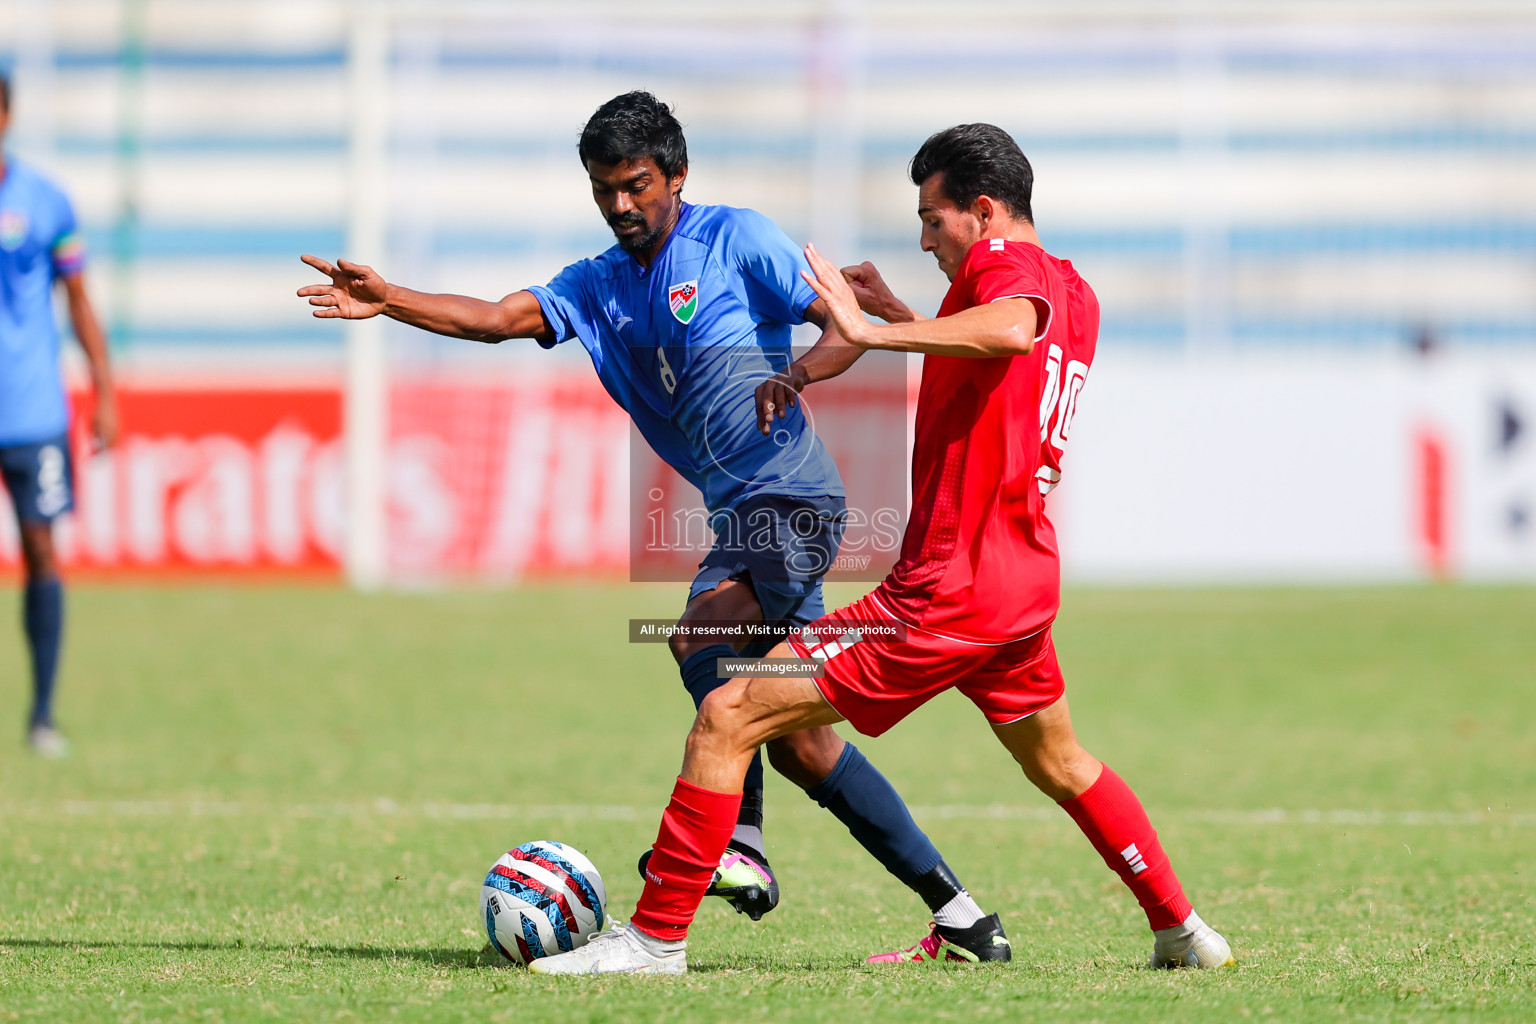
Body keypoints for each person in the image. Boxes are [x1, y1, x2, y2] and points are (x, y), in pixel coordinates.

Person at [298, 92, 1010, 959]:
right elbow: (494, 319)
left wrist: (797, 376)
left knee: (699, 638)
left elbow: (847, 328)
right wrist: (392, 298)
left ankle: (736, 848)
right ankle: (962, 915)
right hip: (742, 510)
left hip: (790, 502)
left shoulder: (735, 240)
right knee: (801, 744)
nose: (622, 205)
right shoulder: (597, 288)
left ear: (676, 176)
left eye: (636, 185)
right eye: (605, 190)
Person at [529, 123, 1237, 976]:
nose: (926, 238)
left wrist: (866, 330)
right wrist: (904, 316)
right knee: (1062, 761)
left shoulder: (1004, 276)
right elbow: (998, 357)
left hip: (944, 594)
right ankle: (1182, 930)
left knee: (730, 711)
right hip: (1019, 587)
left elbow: (1008, 331)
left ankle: (655, 940)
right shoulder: (1074, 288)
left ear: (981, 211)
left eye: (932, 220)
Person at [0, 71, 118, 758]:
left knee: (42, 549)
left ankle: (42, 715)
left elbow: (78, 298)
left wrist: (104, 389)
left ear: (7, 115)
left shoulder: (45, 200)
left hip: (34, 409)